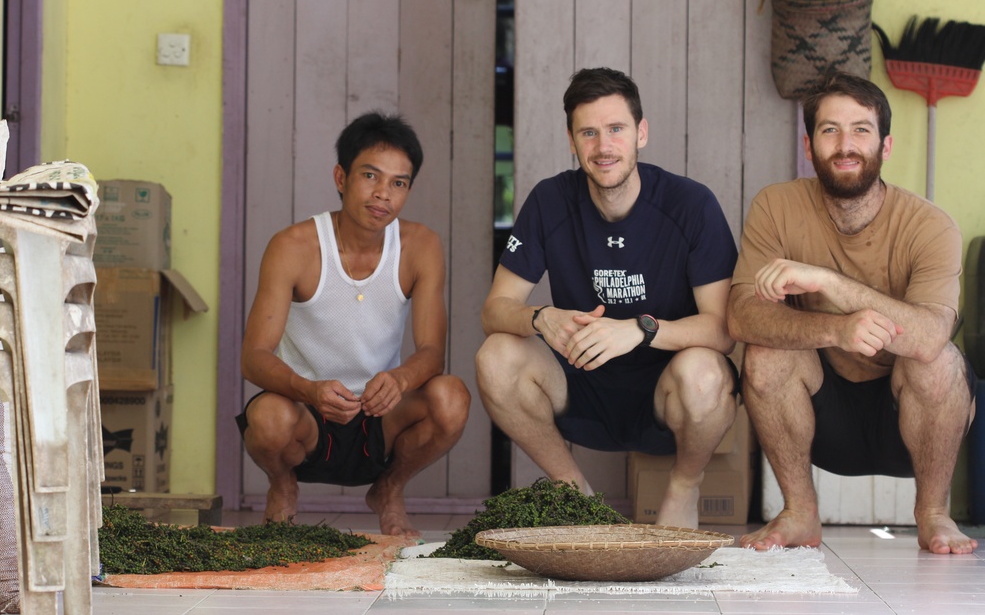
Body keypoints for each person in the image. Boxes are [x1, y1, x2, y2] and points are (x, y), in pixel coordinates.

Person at [476, 67, 739, 529]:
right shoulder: (550, 201)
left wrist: (638, 330)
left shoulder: (691, 205)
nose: (603, 146)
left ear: (641, 133)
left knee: (707, 371)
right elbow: (494, 309)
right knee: (495, 356)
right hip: (579, 380)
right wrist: (541, 318)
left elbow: (723, 329)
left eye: (616, 129)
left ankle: (683, 488)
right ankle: (574, 495)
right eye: (589, 133)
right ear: (571, 140)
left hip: (666, 386)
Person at [727, 72, 978, 555]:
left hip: (910, 422)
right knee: (764, 353)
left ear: (885, 146)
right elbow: (741, 317)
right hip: (822, 416)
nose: (846, 145)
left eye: (861, 130)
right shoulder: (776, 206)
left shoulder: (930, 225)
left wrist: (831, 284)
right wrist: (837, 330)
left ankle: (933, 515)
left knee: (940, 362)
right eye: (830, 130)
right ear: (808, 144)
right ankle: (799, 511)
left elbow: (929, 338)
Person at [237, 111, 470, 538]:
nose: (383, 194)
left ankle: (389, 489)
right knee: (268, 418)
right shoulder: (293, 246)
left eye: (398, 183)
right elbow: (253, 358)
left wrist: (400, 379)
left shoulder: (420, 246)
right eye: (370, 176)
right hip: (304, 409)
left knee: (451, 398)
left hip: (380, 412)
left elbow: (432, 351)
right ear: (341, 177)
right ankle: (283, 485)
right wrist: (309, 389)